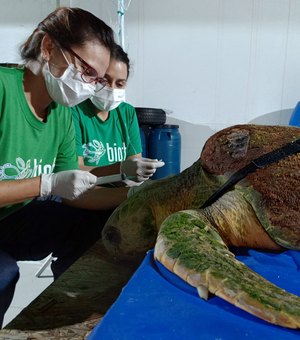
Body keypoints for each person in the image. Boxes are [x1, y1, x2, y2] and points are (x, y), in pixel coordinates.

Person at [0, 7, 117, 327]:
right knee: (3, 274)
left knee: (97, 222)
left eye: (97, 79)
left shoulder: (61, 113)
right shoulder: (3, 92)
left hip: (11, 219)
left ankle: (71, 310)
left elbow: (74, 192)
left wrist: (133, 193)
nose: (90, 85)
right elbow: (55, 185)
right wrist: (46, 185)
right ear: (49, 47)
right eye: (87, 71)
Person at [69, 44, 165, 210]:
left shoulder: (126, 113)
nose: (112, 89)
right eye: (104, 80)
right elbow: (74, 173)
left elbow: (134, 161)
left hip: (118, 194)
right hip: (85, 198)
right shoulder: (74, 112)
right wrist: (120, 168)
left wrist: (141, 170)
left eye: (120, 84)